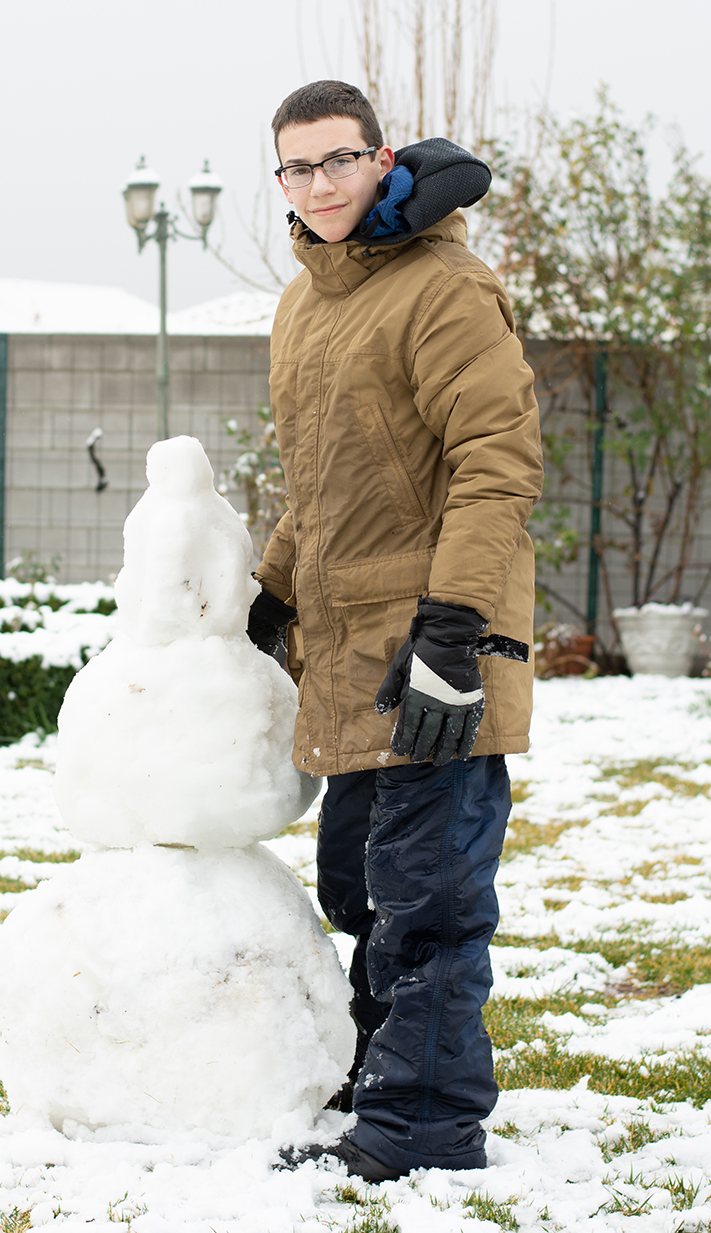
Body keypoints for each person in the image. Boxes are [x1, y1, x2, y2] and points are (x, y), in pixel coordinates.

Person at [245, 80, 543, 1182]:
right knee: (358, 888)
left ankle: (424, 1126)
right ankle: (380, 1089)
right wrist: (269, 593)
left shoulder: (445, 289)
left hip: (433, 650)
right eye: (296, 167)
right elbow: (320, 487)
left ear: (382, 159)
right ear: (278, 180)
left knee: (429, 902)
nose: (318, 185)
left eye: (338, 160)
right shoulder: (304, 304)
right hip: (345, 655)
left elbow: (495, 465)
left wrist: (455, 626)